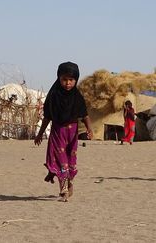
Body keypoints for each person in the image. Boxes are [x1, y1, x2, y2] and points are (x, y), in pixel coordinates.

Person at [34, 62, 93, 202]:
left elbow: (84, 115)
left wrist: (90, 129)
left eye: (71, 80)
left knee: (71, 161)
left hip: (72, 133)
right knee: (62, 163)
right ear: (59, 78)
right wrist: (40, 133)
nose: (67, 83)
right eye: (64, 79)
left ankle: (69, 181)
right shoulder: (53, 96)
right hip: (57, 132)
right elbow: (47, 117)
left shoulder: (77, 96)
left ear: (76, 80)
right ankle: (64, 190)